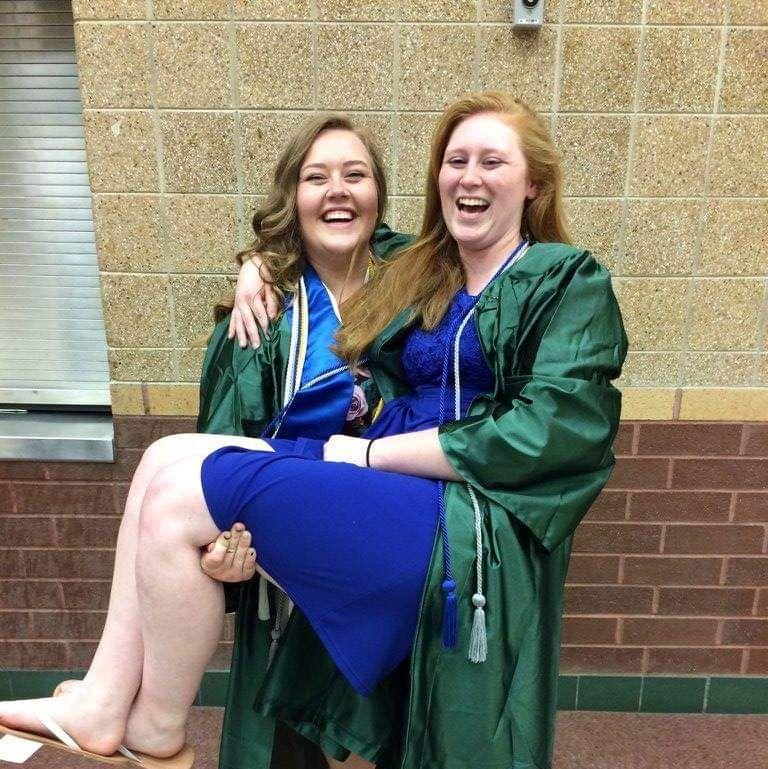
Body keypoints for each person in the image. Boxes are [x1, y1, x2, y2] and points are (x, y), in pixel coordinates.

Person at [0, 92, 627, 769]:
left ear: (534, 183)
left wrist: (370, 454)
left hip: (459, 507)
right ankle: (101, 701)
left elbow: (553, 429)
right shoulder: (429, 267)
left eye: (492, 161)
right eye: (455, 160)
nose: (469, 176)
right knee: (163, 457)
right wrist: (259, 262)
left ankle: (153, 726)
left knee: (181, 494)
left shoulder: (562, 278)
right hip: (378, 483)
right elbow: (330, 245)